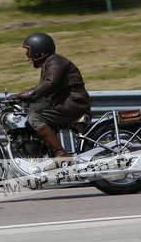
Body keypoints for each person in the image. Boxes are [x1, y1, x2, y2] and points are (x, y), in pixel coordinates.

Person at [7, 33, 91, 168]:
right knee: (31, 112)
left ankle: (61, 154)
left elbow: (49, 84)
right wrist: (25, 99)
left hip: (73, 103)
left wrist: (25, 94)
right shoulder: (50, 62)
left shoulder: (55, 62)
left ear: (39, 51)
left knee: (35, 119)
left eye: (29, 52)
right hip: (65, 102)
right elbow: (46, 88)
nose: (27, 57)